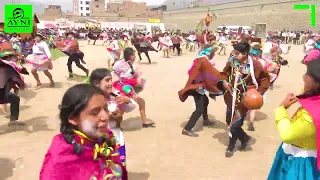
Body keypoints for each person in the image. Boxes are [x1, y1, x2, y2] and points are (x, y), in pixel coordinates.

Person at [40, 84, 128, 180]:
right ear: (73, 119)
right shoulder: (60, 162)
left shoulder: (107, 137)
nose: (106, 117)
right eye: (95, 112)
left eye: (105, 109)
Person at [267, 57, 320, 180]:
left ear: (317, 82)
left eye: (308, 74)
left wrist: (281, 109)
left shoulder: (313, 114)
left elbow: (288, 134)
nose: (303, 77)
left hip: (303, 163)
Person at [222, 42, 270, 157]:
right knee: (229, 120)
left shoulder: (255, 65)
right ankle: (244, 138)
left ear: (245, 54)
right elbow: (224, 73)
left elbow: (265, 78)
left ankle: (231, 147)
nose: (234, 54)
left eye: (237, 53)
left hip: (245, 99)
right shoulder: (232, 62)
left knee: (235, 124)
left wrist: (258, 93)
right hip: (231, 97)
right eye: (234, 52)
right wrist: (224, 81)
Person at [89, 68, 138, 166]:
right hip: (99, 140)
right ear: (96, 83)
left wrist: (127, 100)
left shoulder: (115, 96)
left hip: (116, 137)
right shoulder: (90, 100)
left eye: (111, 79)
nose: (111, 83)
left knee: (118, 166)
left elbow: (132, 106)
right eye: (107, 80)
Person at [112, 47, 155, 127]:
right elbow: (115, 74)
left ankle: (144, 121)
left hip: (126, 86)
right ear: (129, 56)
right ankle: (115, 126)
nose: (135, 57)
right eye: (133, 55)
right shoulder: (121, 64)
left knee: (126, 106)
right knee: (121, 108)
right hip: (125, 87)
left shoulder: (127, 64)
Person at [182, 46, 218, 137]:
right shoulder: (204, 61)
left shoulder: (200, 59)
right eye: (213, 53)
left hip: (197, 85)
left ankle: (205, 120)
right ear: (209, 53)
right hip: (197, 87)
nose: (214, 54)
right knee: (200, 109)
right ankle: (187, 128)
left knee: (205, 101)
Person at [0, 42, 28, 126]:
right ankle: (13, 120)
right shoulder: (10, 65)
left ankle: (13, 121)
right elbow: (18, 76)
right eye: (14, 57)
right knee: (14, 98)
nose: (16, 58)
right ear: (9, 57)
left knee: (14, 98)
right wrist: (23, 84)